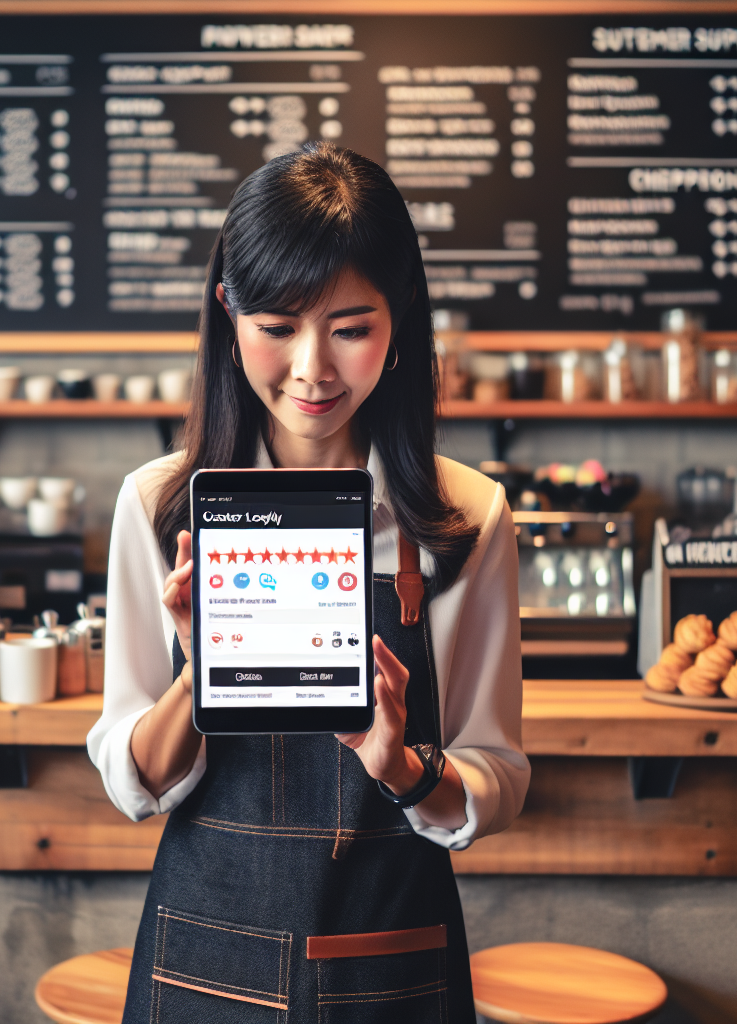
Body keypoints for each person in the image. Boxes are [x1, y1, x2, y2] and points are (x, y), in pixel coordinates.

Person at [87, 142, 527, 1023]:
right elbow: (130, 778)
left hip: (390, 964)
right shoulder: (160, 506)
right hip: (205, 959)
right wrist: (199, 669)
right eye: (278, 326)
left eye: (350, 328)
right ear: (229, 312)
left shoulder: (467, 515)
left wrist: (402, 769)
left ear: (399, 316)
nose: (313, 369)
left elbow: (498, 775)